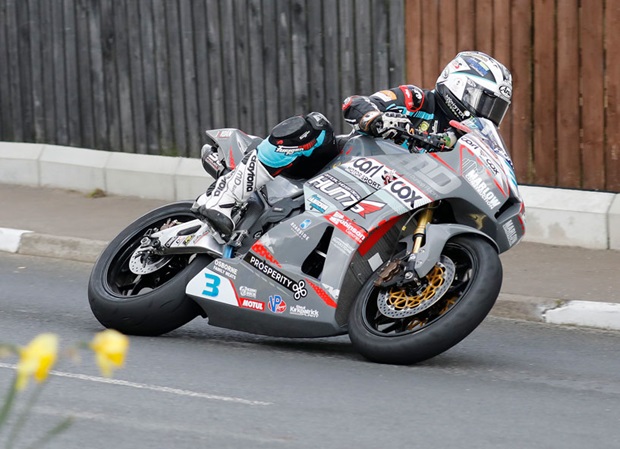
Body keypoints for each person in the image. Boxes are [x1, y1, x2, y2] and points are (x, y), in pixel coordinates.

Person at [191, 50, 512, 239]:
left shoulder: (462, 140)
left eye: (495, 110)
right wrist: (375, 117)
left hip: (388, 195)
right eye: (484, 102)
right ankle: (226, 196)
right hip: (344, 164)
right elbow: (357, 103)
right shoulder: (418, 99)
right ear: (460, 85)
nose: (488, 114)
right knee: (314, 127)